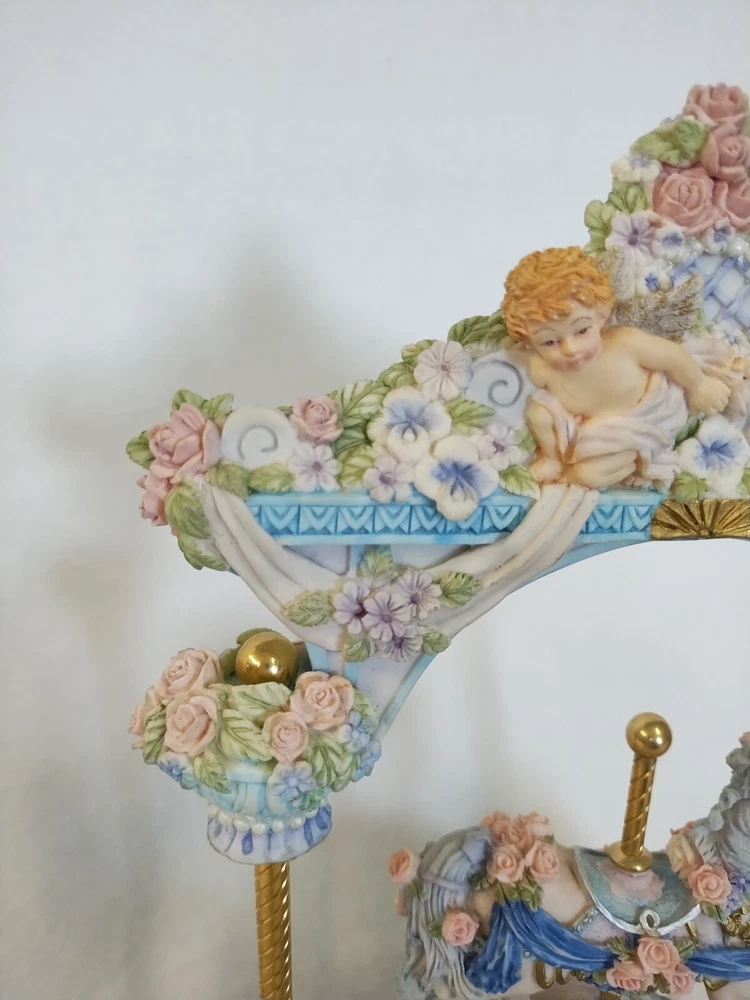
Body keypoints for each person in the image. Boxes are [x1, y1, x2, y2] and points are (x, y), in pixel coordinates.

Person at [502, 247, 731, 489]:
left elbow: (673, 357)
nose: (570, 349)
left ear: (601, 314)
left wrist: (699, 385)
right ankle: (552, 460)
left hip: (641, 422)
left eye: (582, 330)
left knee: (589, 475)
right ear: (528, 340)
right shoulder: (541, 367)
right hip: (587, 430)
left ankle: (625, 465)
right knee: (538, 412)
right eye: (550, 342)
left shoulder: (625, 344)